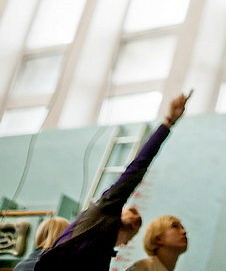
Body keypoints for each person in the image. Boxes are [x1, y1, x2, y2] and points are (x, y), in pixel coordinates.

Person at [35, 93, 191, 271]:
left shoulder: (102, 257)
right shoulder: (103, 211)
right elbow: (137, 167)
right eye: (131, 211)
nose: (136, 216)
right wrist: (168, 122)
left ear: (125, 242)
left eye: (137, 223)